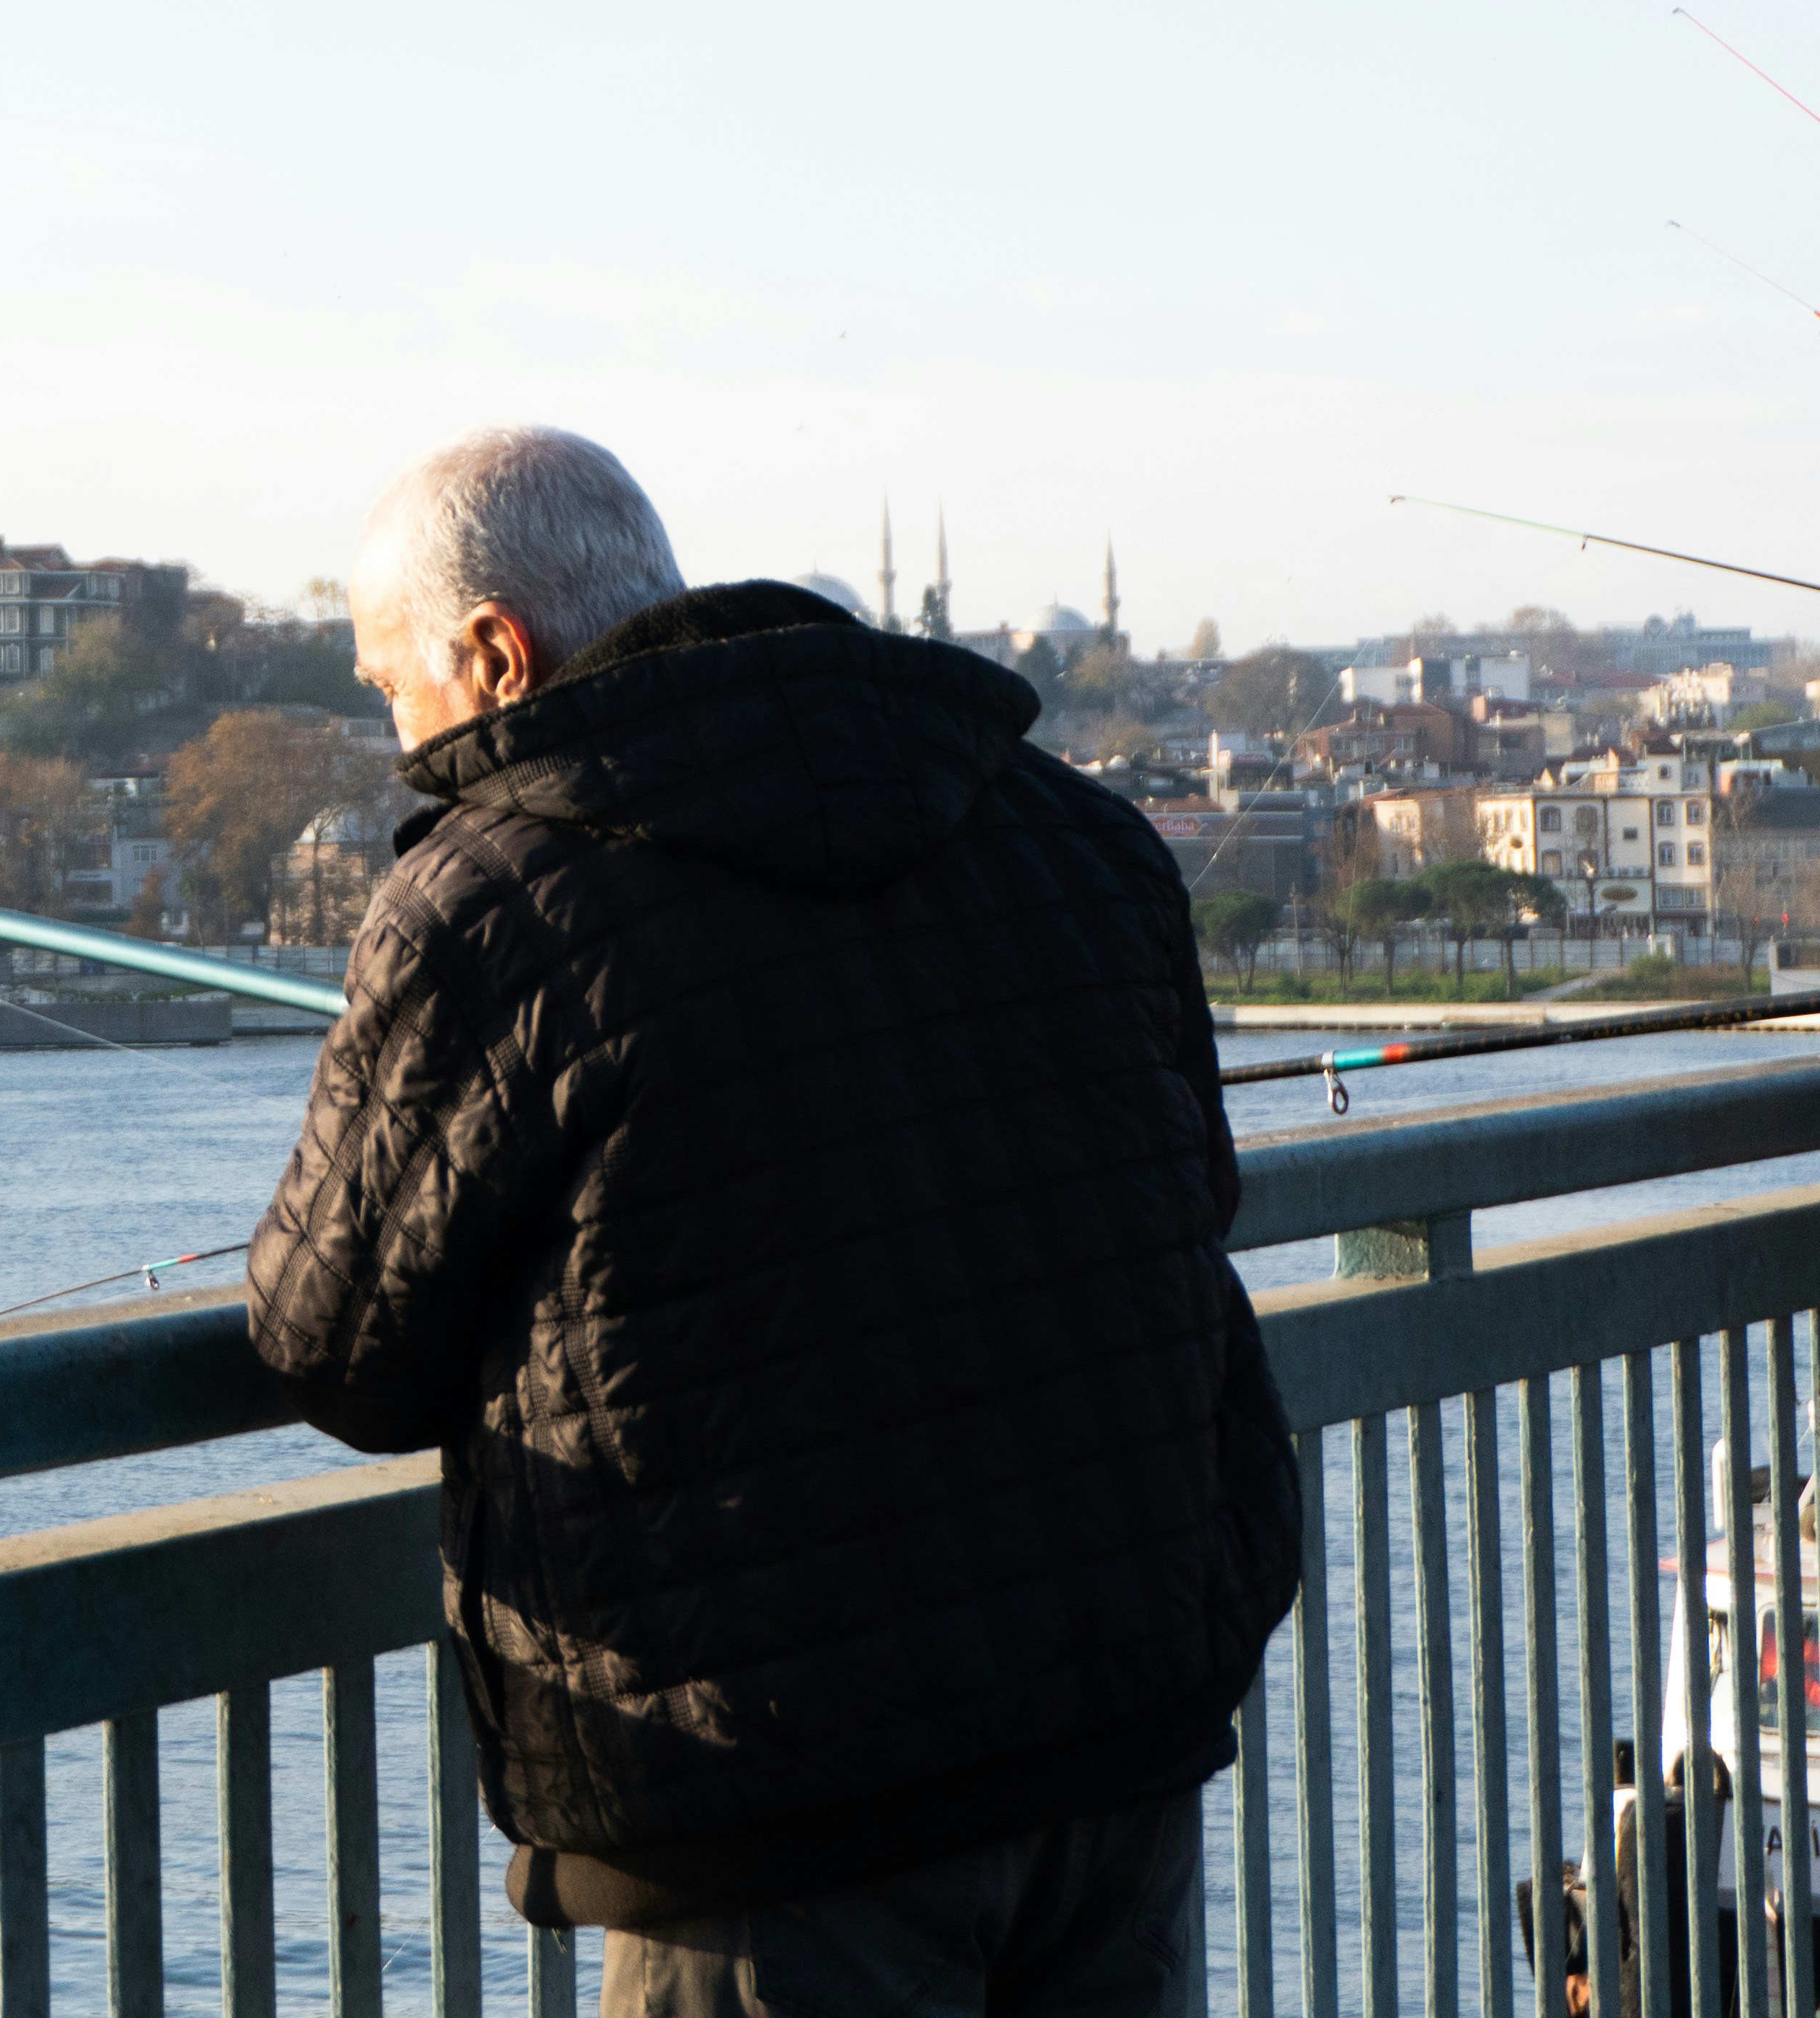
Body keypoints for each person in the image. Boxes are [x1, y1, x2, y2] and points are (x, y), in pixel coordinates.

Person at [245, 426, 1295, 2018]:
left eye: (393, 690)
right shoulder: (1074, 838)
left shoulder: (495, 896)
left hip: (771, 1802)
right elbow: (1183, 1198)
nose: (400, 743)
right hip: (1112, 1725)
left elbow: (344, 1351)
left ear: (492, 652)